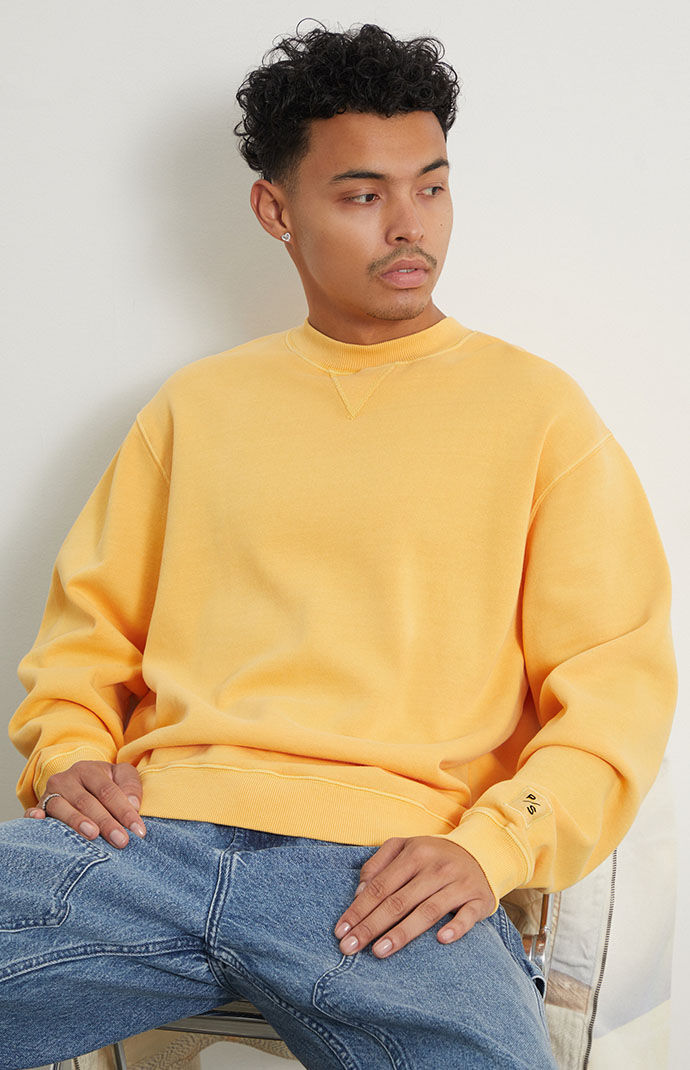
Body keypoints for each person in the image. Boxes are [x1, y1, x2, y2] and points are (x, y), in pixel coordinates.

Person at [1, 22, 676, 1070]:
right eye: (363, 195)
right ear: (276, 210)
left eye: (432, 187)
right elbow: (86, 641)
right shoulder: (196, 408)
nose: (410, 226)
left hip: (390, 869)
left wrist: (495, 844)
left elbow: (614, 688)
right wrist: (70, 752)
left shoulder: (540, 415)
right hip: (145, 839)